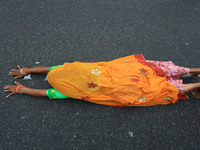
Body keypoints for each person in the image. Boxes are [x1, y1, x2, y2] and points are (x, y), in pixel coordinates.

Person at [4, 54, 200, 107]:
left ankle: (197, 83)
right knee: (157, 69)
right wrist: (26, 70)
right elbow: (48, 69)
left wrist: (22, 89)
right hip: (126, 70)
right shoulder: (68, 69)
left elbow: (43, 93)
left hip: (126, 89)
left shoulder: (66, 91)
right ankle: (193, 70)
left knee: (162, 89)